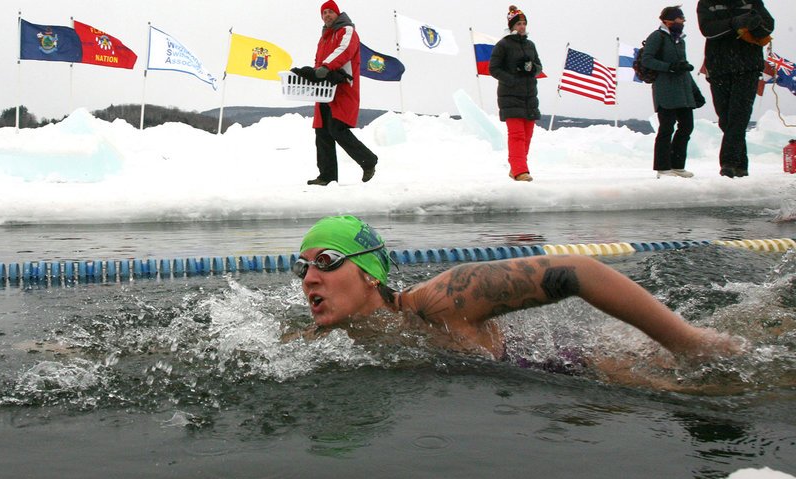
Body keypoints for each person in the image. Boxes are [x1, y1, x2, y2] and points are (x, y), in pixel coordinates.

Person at [289, 215, 741, 363]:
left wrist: (689, 343)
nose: (309, 277)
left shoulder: (438, 302)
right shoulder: (330, 339)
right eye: (301, 267)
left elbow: (579, 272)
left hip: (575, 368)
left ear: (372, 273)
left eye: (326, 262)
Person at [697, 0, 774, 178]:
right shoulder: (707, 3)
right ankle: (741, 165)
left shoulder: (752, 1)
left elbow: (768, 25)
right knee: (725, 119)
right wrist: (734, 23)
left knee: (739, 116)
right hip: (718, 68)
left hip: (748, 68)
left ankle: (729, 163)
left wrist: (756, 25)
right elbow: (707, 30)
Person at [306, 0, 378, 186]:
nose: (327, 15)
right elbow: (318, 60)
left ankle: (368, 161)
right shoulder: (323, 38)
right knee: (322, 132)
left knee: (337, 129)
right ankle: (327, 177)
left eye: (330, 12)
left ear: (337, 14)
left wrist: (325, 67)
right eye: (324, 13)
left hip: (343, 88)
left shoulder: (347, 30)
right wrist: (316, 74)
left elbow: (344, 50)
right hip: (325, 89)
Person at [642, 6, 706, 179]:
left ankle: (677, 166)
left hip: (683, 92)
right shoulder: (657, 37)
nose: (683, 22)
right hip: (666, 91)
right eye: (680, 19)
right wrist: (669, 67)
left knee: (686, 127)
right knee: (666, 129)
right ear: (668, 20)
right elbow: (646, 60)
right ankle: (663, 167)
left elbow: (683, 68)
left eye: (683, 19)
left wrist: (695, 92)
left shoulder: (680, 40)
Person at [488, 5, 543, 183]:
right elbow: (493, 68)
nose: (522, 27)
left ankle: (517, 169)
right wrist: (512, 79)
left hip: (529, 96)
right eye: (519, 23)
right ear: (512, 26)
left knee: (527, 135)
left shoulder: (530, 45)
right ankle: (520, 171)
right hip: (510, 96)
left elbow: (539, 67)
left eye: (524, 23)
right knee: (517, 135)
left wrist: (531, 68)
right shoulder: (503, 45)